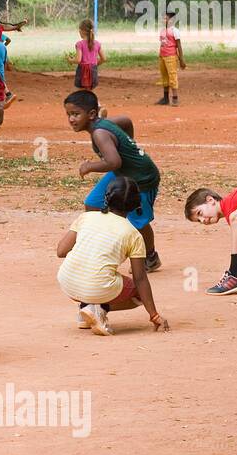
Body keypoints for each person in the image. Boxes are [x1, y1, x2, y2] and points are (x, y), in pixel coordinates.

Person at [56, 175, 169, 336]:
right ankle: (99, 308)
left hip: (67, 281)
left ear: (106, 198)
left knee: (93, 271)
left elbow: (61, 251)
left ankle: (85, 309)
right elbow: (140, 278)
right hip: (97, 287)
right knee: (136, 291)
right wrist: (154, 315)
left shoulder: (86, 217)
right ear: (136, 204)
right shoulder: (133, 234)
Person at [64, 90, 163, 272]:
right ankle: (102, 242)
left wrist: (90, 166)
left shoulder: (100, 133)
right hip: (122, 172)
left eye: (76, 114)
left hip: (142, 178)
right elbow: (126, 120)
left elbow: (113, 162)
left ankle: (151, 257)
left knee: (138, 221)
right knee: (92, 204)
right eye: (69, 114)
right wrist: (128, 141)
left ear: (92, 114)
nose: (71, 119)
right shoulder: (104, 124)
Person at [156, 9, 185, 106]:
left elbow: (179, 46)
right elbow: (162, 44)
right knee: (164, 77)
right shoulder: (162, 30)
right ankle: (165, 98)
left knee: (172, 76)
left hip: (171, 56)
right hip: (162, 56)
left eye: (165, 18)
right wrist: (160, 55)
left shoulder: (175, 31)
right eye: (163, 18)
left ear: (171, 20)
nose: (163, 19)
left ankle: (175, 98)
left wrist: (181, 60)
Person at [67, 19, 104, 94]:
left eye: (79, 30)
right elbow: (103, 58)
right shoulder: (97, 44)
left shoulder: (79, 44)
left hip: (82, 70)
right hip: (93, 70)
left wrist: (70, 60)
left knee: (78, 91)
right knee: (91, 91)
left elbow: (78, 60)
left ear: (82, 31)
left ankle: (79, 105)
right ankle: (96, 104)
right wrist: (94, 65)